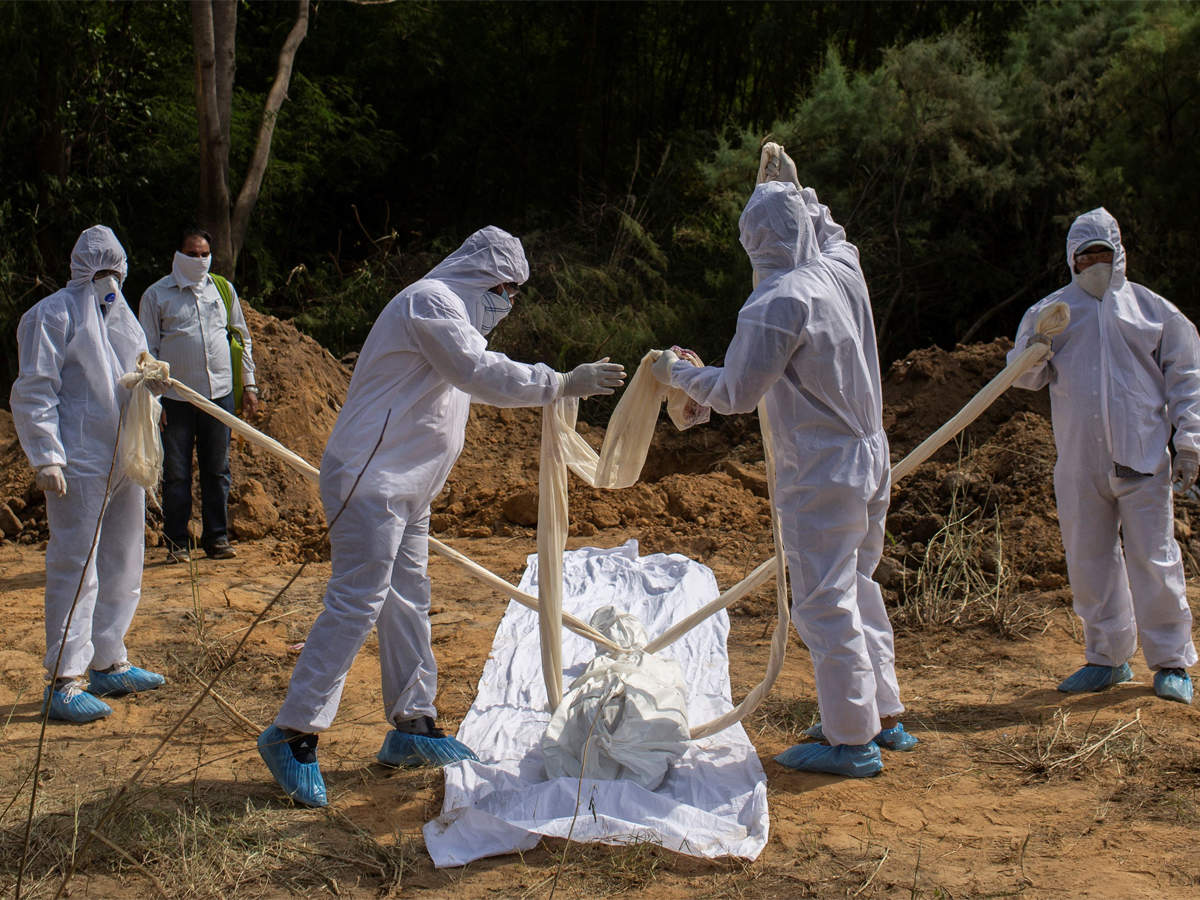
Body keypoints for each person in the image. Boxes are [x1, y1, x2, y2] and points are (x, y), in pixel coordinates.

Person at [258, 226, 625, 807]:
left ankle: (413, 724)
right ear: (484, 276)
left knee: (408, 597)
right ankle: (294, 732)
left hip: (409, 487)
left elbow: (472, 369)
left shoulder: (454, 313)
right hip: (371, 478)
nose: (508, 304)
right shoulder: (431, 301)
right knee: (358, 601)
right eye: (505, 290)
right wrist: (559, 383)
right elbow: (477, 371)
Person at [652, 163, 912, 778]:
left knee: (823, 600)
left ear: (751, 243)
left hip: (821, 469)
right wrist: (806, 192)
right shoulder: (840, 271)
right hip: (871, 457)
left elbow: (738, 391)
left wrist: (678, 373)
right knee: (857, 583)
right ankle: (884, 714)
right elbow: (833, 234)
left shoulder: (775, 302)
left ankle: (851, 739)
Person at [1010, 207, 1198, 704]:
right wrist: (1037, 346)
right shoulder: (1051, 313)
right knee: (1089, 560)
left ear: (1120, 256)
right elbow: (1023, 378)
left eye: (1103, 254)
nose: (1094, 264)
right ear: (1071, 260)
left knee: (1154, 559)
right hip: (1078, 463)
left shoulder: (1154, 313)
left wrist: (1189, 443)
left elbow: (1186, 381)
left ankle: (1171, 661)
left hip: (1144, 460)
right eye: (1085, 256)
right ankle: (1107, 657)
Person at [9, 225, 166, 723]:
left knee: (123, 558)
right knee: (76, 566)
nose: (110, 281)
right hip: (78, 461)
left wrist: (154, 382)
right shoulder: (51, 316)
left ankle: (108, 660)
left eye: (115, 271)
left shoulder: (123, 320)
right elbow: (35, 389)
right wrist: (46, 456)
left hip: (124, 457)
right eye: (102, 272)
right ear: (83, 270)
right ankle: (65, 678)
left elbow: (136, 373)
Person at [138, 227, 260, 563]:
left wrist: (249, 385)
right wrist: (154, 399)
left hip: (218, 395)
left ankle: (216, 538)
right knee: (176, 472)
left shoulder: (222, 290)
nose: (199, 260)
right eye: (192, 253)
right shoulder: (156, 296)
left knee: (217, 469)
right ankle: (177, 542)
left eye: (205, 253)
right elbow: (147, 352)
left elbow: (241, 336)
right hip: (175, 399)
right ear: (177, 255)